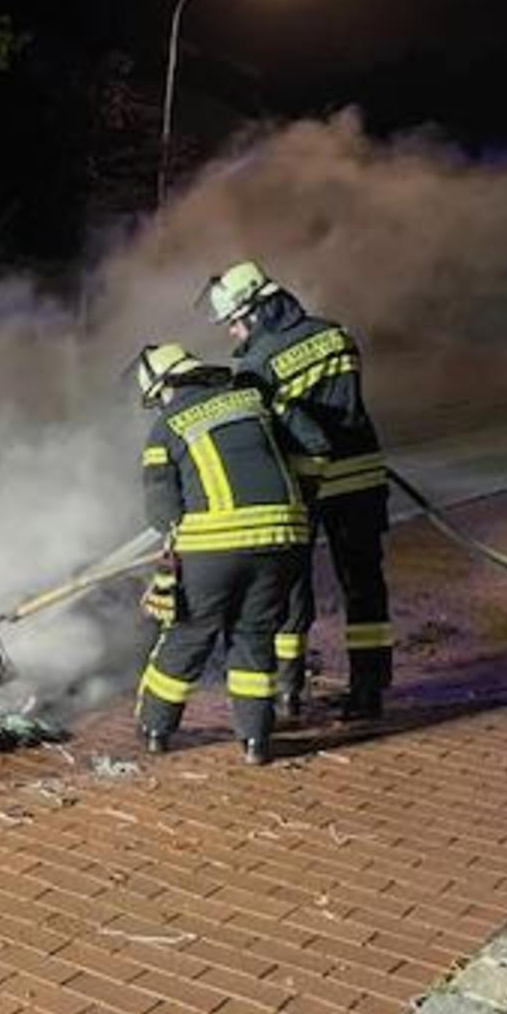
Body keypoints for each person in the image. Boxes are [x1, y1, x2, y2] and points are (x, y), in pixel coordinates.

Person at [201, 260, 390, 720]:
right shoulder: (337, 333)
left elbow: (268, 432)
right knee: (364, 585)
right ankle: (369, 689)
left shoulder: (257, 362)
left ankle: (288, 691)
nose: (231, 333)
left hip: (301, 484)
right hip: (361, 475)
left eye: (233, 321)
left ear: (257, 309)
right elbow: (346, 405)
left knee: (289, 587)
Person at [133, 342, 310, 765]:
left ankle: (155, 728)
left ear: (165, 387)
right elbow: (312, 443)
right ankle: (255, 741)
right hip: (282, 541)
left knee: (189, 634)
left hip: (214, 549)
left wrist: (177, 530)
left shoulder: (166, 427)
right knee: (253, 636)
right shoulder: (253, 399)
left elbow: (163, 513)